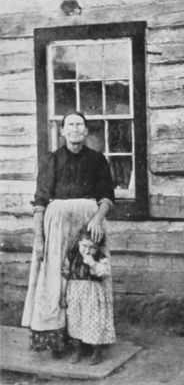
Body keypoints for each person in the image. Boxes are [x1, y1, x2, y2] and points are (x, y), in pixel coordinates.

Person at [22, 111, 115, 358]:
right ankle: (58, 340)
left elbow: (106, 196)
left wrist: (97, 218)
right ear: (62, 131)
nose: (75, 129)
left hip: (88, 224)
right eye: (70, 125)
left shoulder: (97, 160)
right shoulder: (52, 160)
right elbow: (40, 201)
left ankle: (91, 340)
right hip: (56, 226)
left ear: (86, 131)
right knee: (55, 280)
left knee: (89, 279)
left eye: (80, 125)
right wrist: (39, 238)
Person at [61, 225, 116, 365]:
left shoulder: (99, 257)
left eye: (91, 247)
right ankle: (76, 350)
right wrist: (63, 295)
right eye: (84, 245)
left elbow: (103, 272)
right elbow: (65, 275)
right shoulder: (72, 256)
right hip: (75, 293)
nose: (87, 250)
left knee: (93, 322)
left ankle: (96, 352)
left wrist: (91, 262)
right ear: (79, 241)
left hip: (92, 294)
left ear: (97, 246)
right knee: (75, 320)